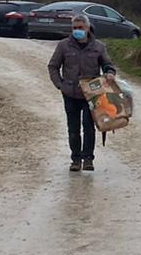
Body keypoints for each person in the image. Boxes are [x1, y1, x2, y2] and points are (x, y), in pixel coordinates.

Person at [47, 14, 116, 171]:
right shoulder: (64, 46)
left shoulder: (99, 46)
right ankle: (76, 159)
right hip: (70, 93)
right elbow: (53, 66)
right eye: (74, 28)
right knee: (73, 128)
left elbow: (107, 64)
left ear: (87, 28)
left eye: (80, 28)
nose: (77, 31)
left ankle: (88, 159)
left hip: (91, 94)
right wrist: (60, 84)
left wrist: (110, 72)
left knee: (89, 126)